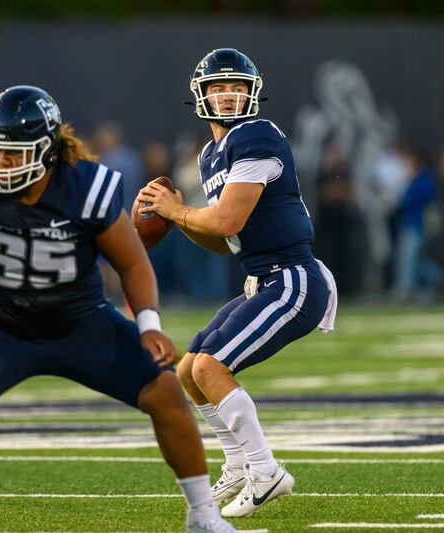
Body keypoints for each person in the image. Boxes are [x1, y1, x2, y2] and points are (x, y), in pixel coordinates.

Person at [0, 85, 237, 533]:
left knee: (163, 391)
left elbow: (132, 261)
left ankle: (202, 513)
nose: (0, 163)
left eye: (13, 154)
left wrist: (149, 324)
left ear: (47, 153)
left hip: (80, 324)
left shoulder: (85, 185)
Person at [136, 48, 338, 518]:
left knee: (210, 367)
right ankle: (238, 462)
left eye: (237, 87)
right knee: (189, 369)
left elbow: (226, 220)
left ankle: (267, 472)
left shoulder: (256, 135)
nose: (228, 95)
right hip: (262, 278)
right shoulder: (210, 154)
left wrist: (175, 211)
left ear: (253, 93)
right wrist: (184, 218)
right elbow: (226, 241)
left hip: (293, 279)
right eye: (218, 87)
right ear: (201, 95)